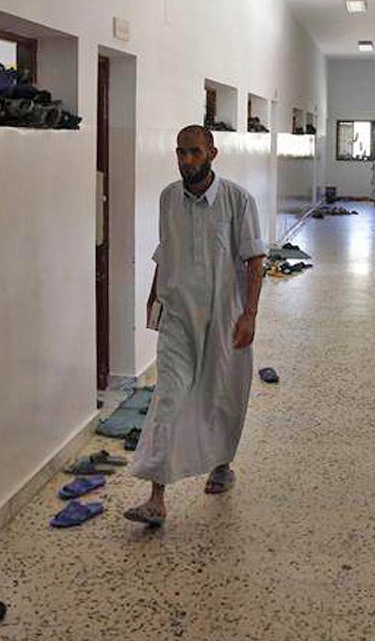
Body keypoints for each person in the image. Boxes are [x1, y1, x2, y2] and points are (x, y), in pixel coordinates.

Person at [124, 124, 266, 527]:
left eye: (195, 153)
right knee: (168, 396)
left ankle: (222, 464)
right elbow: (164, 251)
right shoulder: (169, 198)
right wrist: (154, 298)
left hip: (225, 317)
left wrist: (250, 315)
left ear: (212, 153)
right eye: (181, 153)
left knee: (224, 393)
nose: (187, 160)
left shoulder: (237, 200)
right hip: (178, 319)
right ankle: (156, 496)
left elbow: (255, 262)